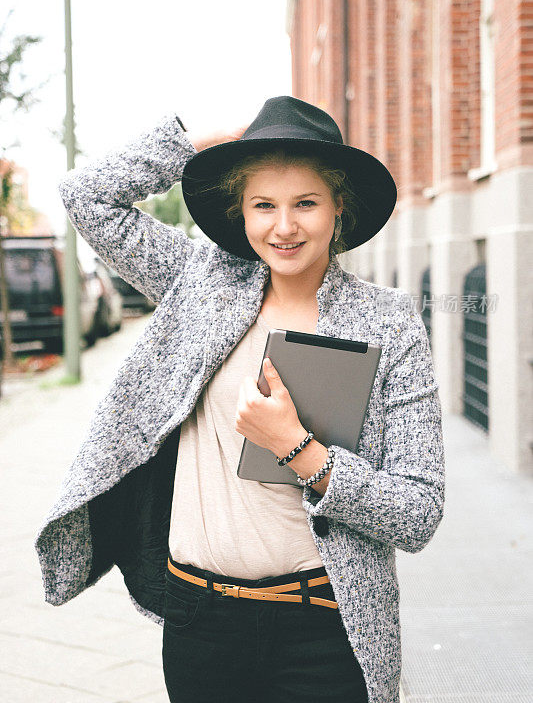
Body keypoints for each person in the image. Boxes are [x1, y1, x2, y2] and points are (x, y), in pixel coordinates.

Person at [35, 95, 445, 703]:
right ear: (241, 213)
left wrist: (302, 452)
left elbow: (419, 511)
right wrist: (199, 141)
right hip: (202, 623)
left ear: (339, 208)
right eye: (264, 205)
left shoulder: (387, 323)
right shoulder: (199, 282)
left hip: (327, 626)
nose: (284, 226)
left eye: (306, 202)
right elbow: (87, 198)